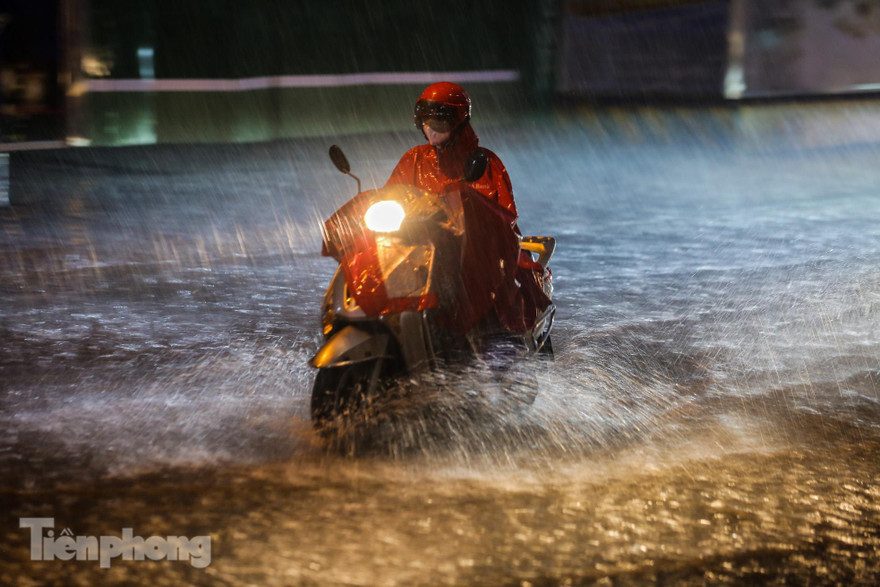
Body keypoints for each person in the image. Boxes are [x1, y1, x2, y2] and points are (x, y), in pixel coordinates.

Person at [386, 81, 550, 333]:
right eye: (424, 121)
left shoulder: (486, 163)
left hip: (473, 257)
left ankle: (511, 334)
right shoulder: (413, 159)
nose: (430, 129)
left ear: (460, 120)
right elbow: (389, 199)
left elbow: (505, 218)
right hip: (420, 253)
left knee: (506, 308)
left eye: (439, 121)